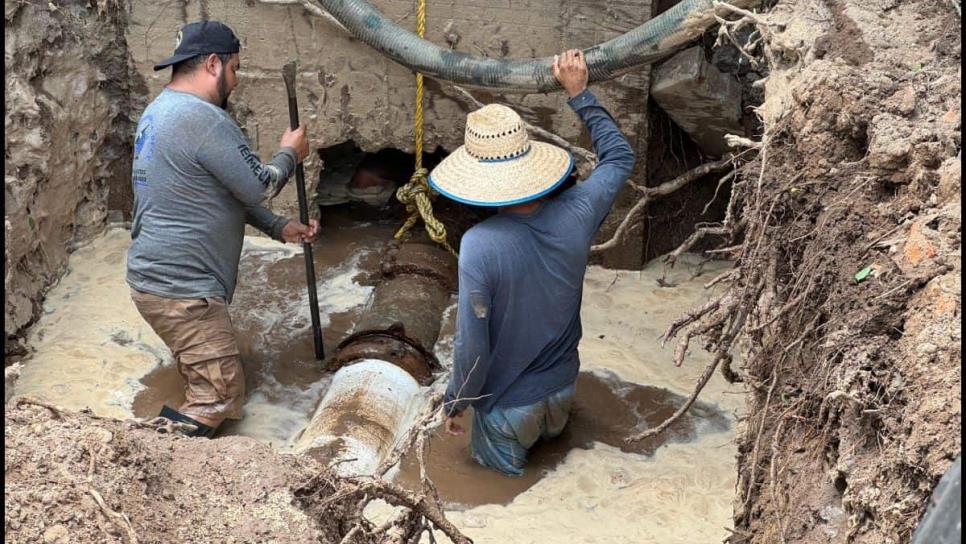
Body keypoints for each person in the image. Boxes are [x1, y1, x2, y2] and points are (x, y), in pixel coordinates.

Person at [430, 49, 635, 475]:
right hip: (561, 394)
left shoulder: (479, 245)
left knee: (495, 498)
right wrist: (580, 94)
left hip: (509, 411)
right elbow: (619, 157)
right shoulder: (579, 212)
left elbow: (472, 346)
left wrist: (456, 403)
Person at [126, 20, 318, 437]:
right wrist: (291, 152)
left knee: (214, 375)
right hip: (182, 291)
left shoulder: (161, 111)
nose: (236, 81)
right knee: (219, 398)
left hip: (160, 282)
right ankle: (149, 464)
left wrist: (278, 227)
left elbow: (216, 193)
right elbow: (260, 184)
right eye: (235, 69)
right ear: (213, 63)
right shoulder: (203, 119)